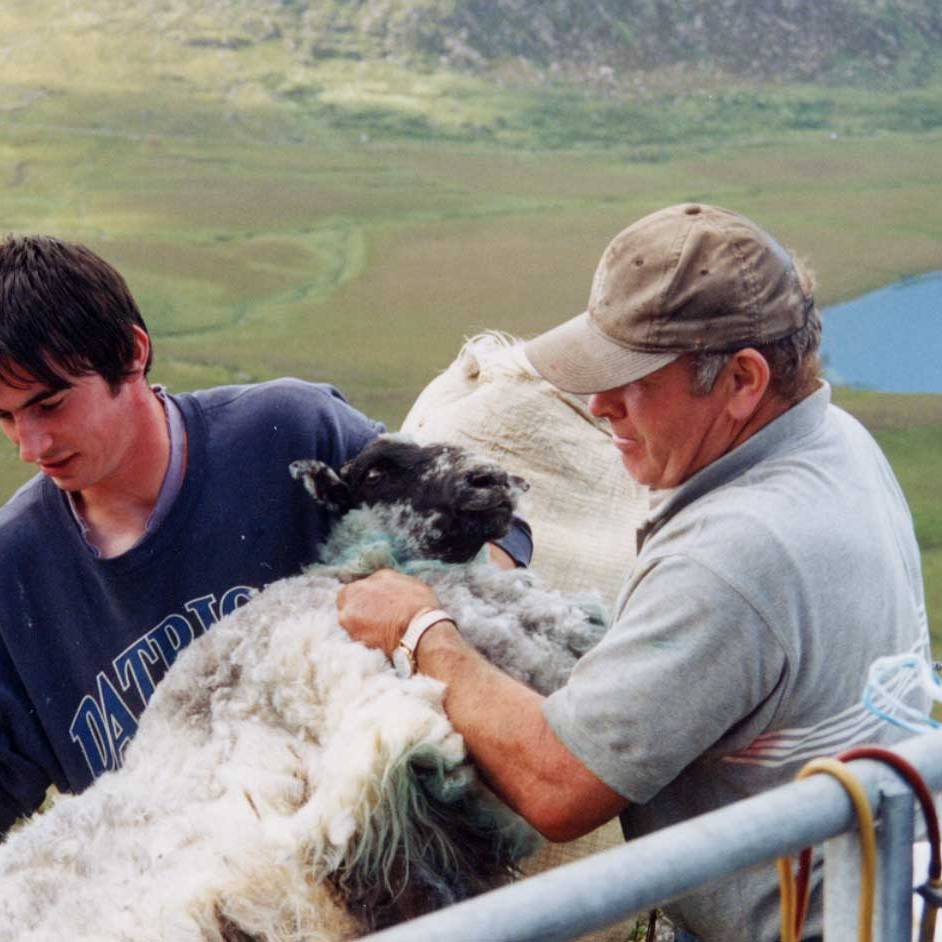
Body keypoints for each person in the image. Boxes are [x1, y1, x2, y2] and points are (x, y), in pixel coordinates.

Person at [338, 203, 932, 941]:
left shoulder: (736, 554)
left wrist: (422, 629)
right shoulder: (834, 441)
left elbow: (560, 785)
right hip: (880, 896)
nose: (598, 404)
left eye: (633, 377)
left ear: (743, 380)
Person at [0, 235, 530, 835]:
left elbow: (489, 542)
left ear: (130, 352)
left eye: (50, 405)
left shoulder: (289, 434)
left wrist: (431, 614)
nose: (28, 446)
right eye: (5, 417)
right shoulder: (15, 567)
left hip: (378, 859)